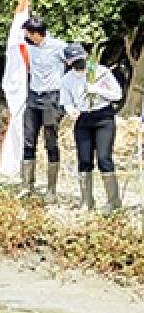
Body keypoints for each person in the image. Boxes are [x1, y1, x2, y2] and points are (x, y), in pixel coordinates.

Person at [60, 43, 123, 211]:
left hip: (103, 117)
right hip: (83, 119)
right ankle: (87, 201)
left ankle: (113, 201)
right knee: (85, 160)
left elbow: (117, 95)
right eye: (74, 61)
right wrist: (71, 110)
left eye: (80, 59)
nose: (79, 64)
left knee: (104, 158)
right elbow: (66, 101)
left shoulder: (101, 72)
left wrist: (97, 89)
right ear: (68, 63)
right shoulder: (67, 79)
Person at [20, 16, 68, 200]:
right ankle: (27, 184)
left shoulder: (58, 46)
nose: (26, 36)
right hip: (33, 96)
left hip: (51, 97)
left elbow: (77, 61)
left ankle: (51, 189)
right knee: (29, 139)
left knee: (50, 141)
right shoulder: (28, 46)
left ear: (37, 34)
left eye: (28, 33)